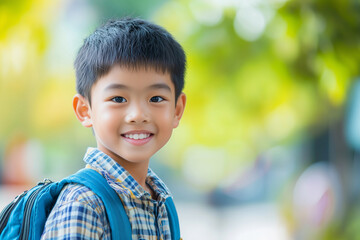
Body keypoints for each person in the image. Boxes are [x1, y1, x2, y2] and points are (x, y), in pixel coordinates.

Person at [41, 17, 186, 240]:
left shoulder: (161, 202)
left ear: (177, 110)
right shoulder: (84, 204)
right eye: (118, 98)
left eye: (156, 98)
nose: (138, 115)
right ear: (85, 110)